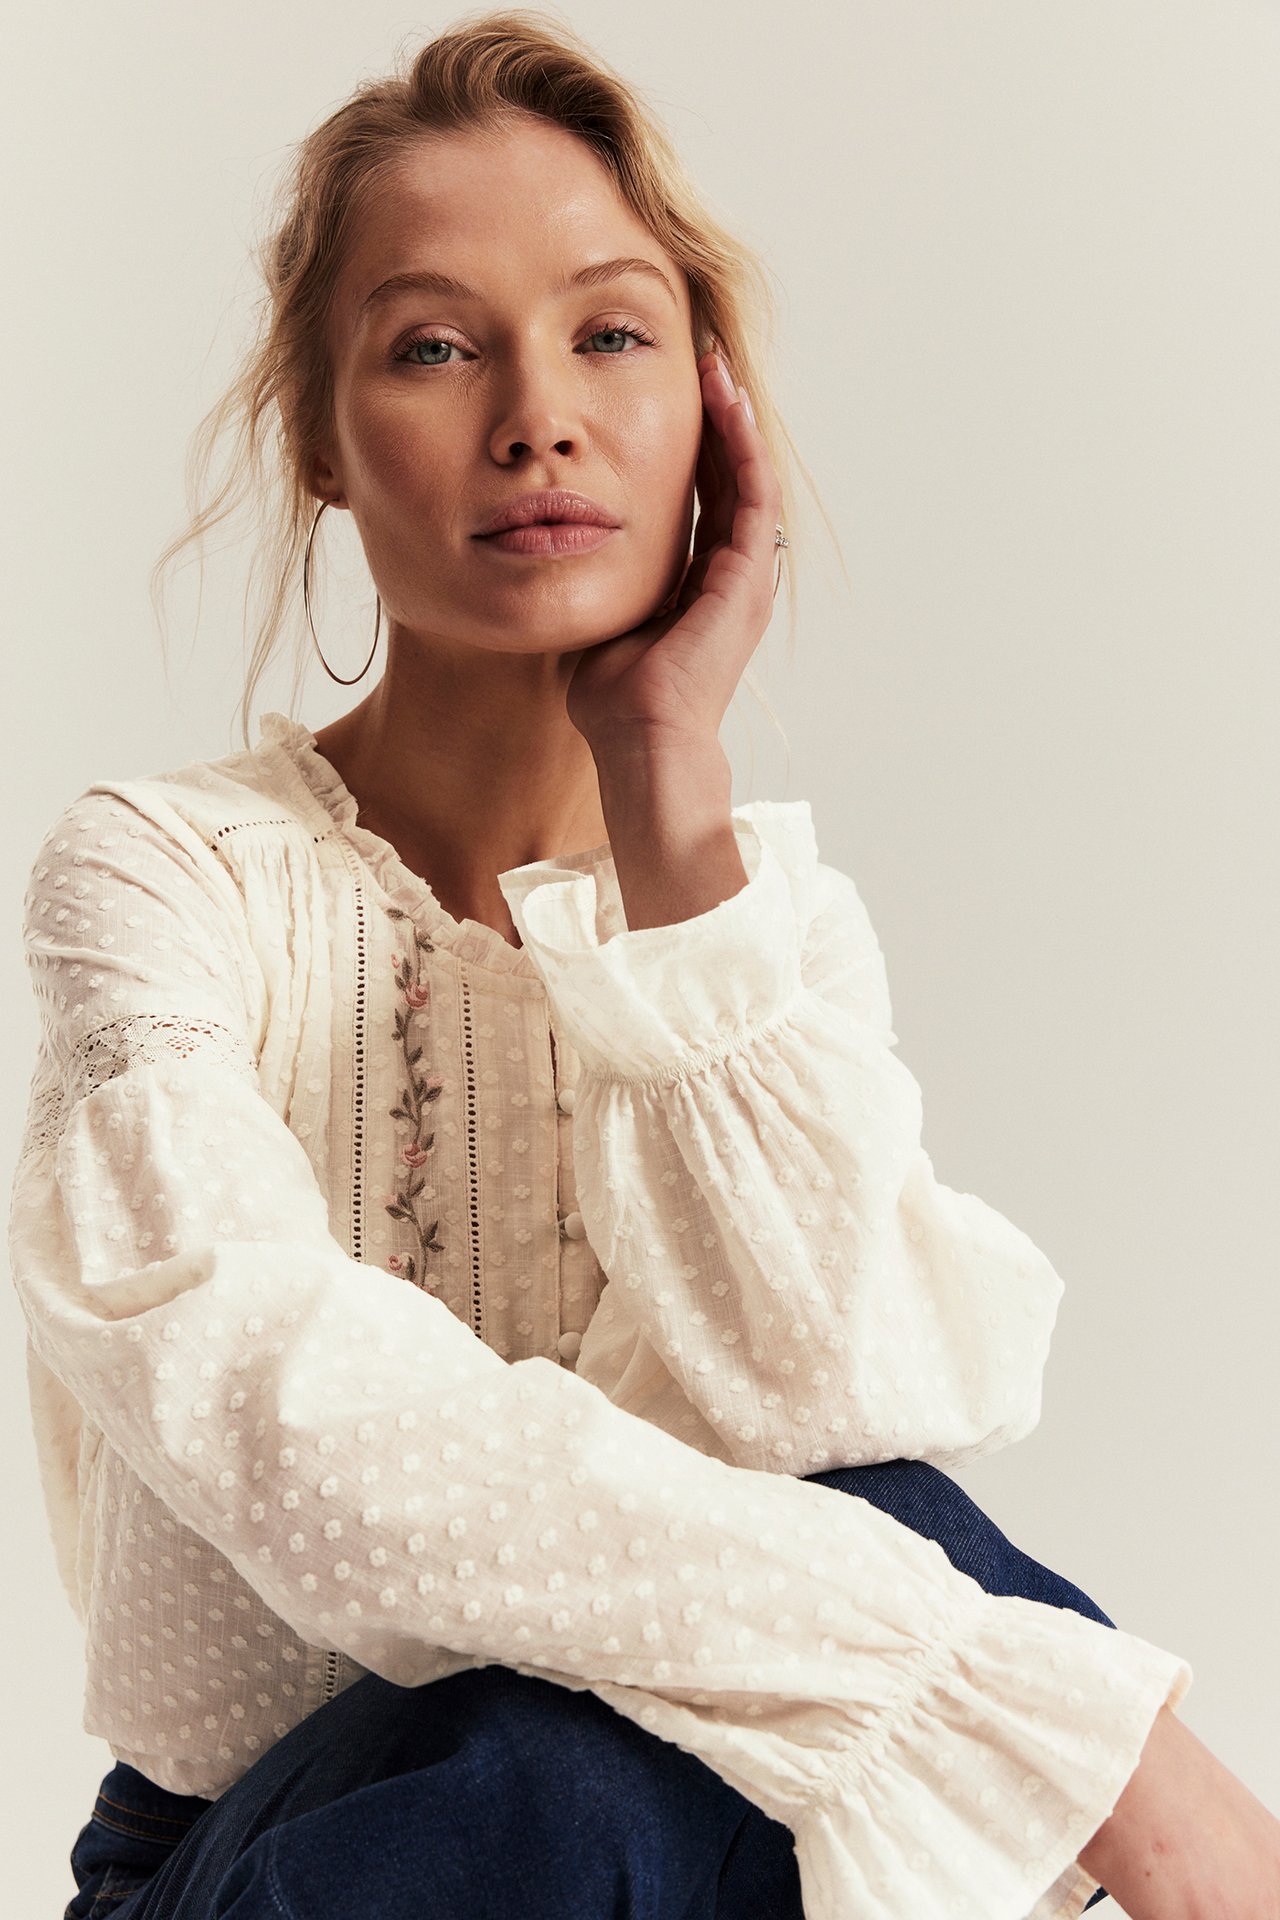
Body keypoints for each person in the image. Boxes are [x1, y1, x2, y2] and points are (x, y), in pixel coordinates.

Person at [9, 11, 1278, 1919]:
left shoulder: (742, 949)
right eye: (436, 347)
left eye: (611, 332)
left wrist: (668, 777)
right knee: (575, 1763)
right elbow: (305, 1450)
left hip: (669, 1833)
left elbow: (834, 1416)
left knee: (791, 1593)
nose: (539, 416)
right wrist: (1058, 1715)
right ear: (320, 444)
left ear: (708, 402)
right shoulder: (160, 873)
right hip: (287, 1862)